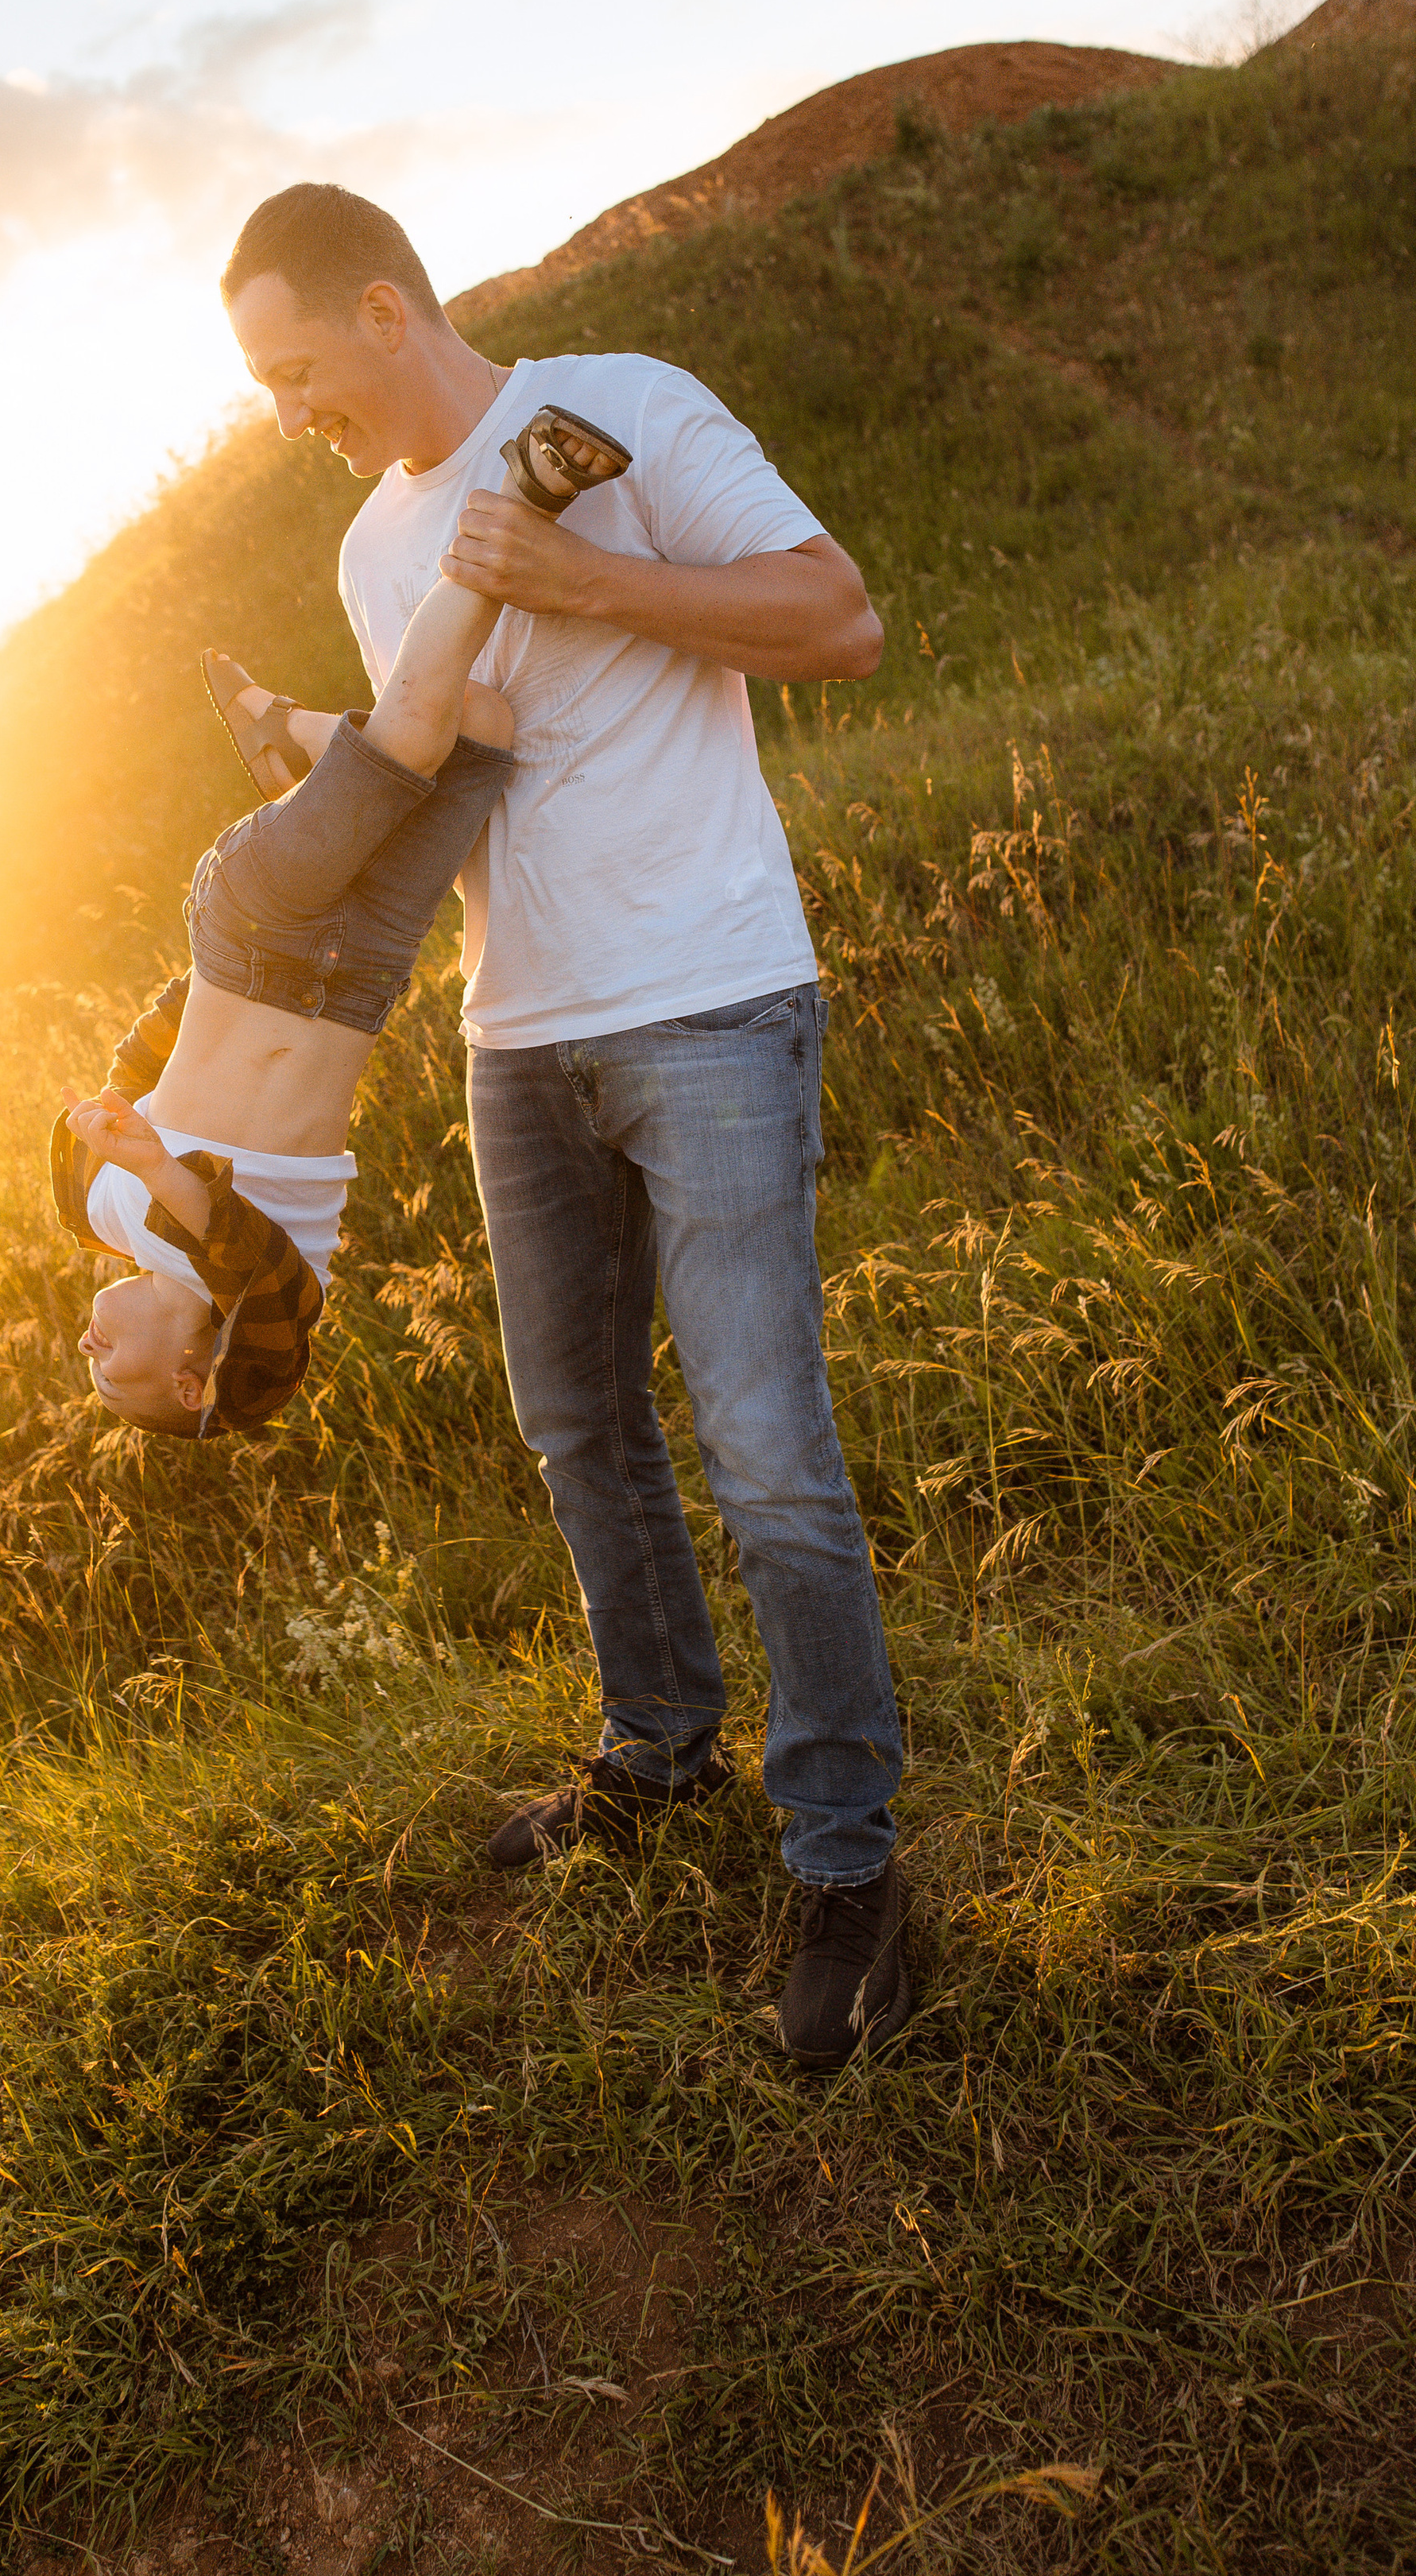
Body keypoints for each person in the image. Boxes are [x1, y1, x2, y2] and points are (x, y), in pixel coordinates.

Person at [219, 180, 909, 2071]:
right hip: (515, 1034)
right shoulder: (376, 551)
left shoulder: (618, 402)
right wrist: (318, 761)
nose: (291, 413)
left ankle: (847, 1865)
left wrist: (581, 575)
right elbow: (456, 782)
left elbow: (834, 621)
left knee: (764, 1451)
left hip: (705, 997)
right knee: (576, 1428)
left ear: (382, 305)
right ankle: (658, 1748)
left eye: (295, 370)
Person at [48, 413, 629, 1438]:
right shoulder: (278, 1304)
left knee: (411, 731)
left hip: (250, 931)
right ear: (192, 1382)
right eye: (110, 1379)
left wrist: (119, 1110)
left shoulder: (98, 1211)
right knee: (484, 725)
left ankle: (528, 490)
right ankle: (300, 748)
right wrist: (150, 1160)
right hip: (360, 971)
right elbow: (247, 1255)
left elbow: (137, 1059)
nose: (85, 1352)